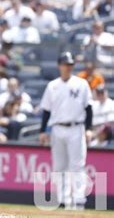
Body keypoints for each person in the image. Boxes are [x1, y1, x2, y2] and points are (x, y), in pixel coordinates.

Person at [39, 52, 93, 209]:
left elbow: (88, 108)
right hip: (57, 128)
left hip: (76, 127)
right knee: (59, 165)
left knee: (77, 165)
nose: (67, 67)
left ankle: (78, 199)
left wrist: (88, 129)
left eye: (70, 64)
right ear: (59, 65)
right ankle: (62, 200)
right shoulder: (52, 85)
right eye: (65, 64)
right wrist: (43, 130)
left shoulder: (81, 84)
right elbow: (46, 110)